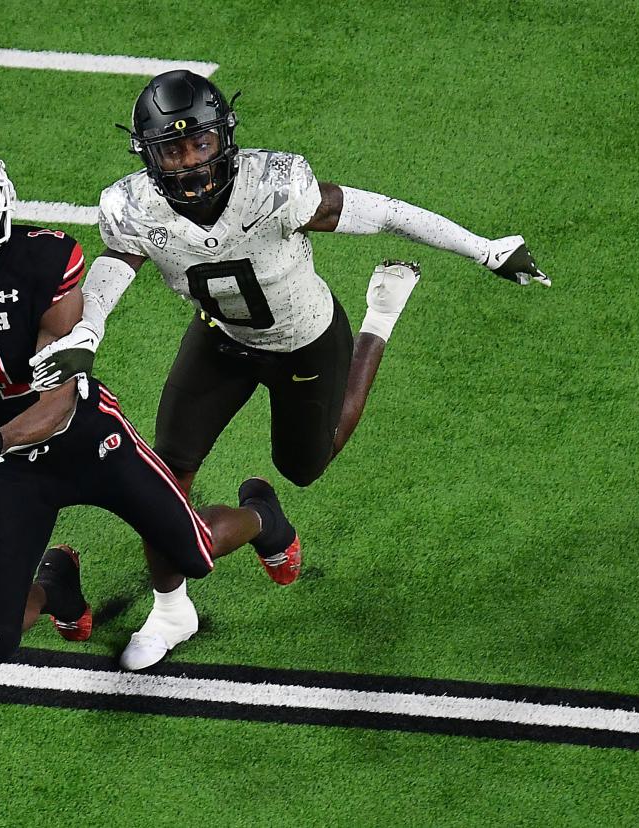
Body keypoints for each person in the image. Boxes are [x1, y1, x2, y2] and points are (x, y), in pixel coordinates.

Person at [30, 70, 553, 669]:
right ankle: (171, 609)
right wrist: (87, 333)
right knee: (165, 477)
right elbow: (113, 269)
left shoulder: (275, 186)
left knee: (304, 465)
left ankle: (377, 321)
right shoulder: (132, 205)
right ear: (147, 154)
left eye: (200, 143)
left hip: (307, 340)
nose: (190, 162)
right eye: (172, 149)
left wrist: (485, 248)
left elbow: (381, 211)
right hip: (220, 337)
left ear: (224, 138)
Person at [0, 136, 300, 668]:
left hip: (87, 437)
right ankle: (57, 586)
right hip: (7, 458)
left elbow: (60, 393)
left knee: (196, 554)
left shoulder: (45, 257)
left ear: (0, 200)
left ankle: (263, 518)